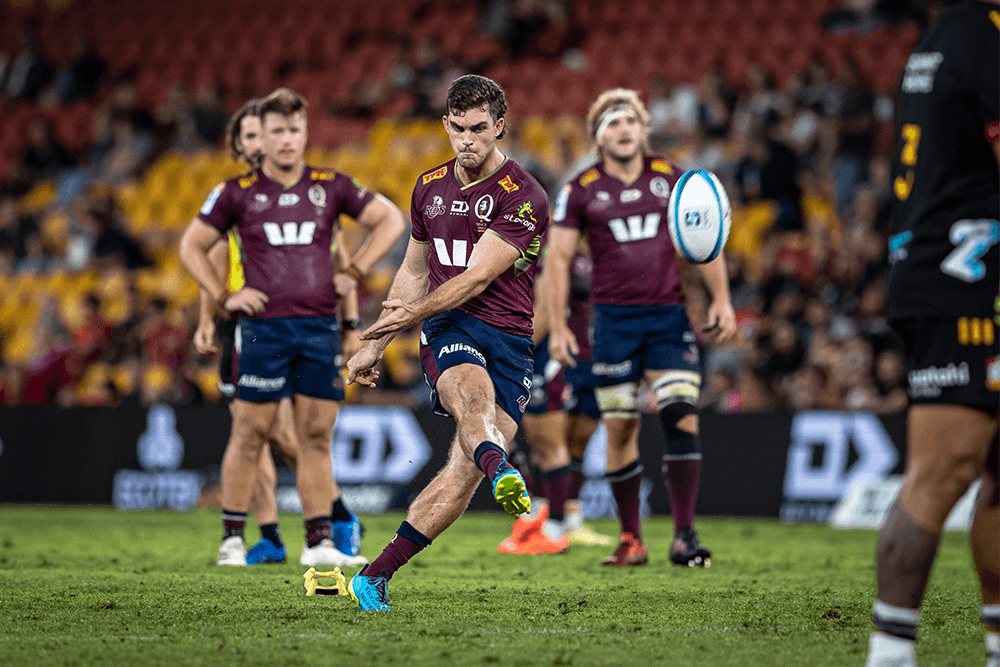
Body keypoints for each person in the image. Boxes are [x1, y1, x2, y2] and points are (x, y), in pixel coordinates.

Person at [179, 88, 406, 568]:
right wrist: (222, 299)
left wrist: (355, 272)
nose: (286, 140)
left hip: (318, 327)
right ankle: (233, 540)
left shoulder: (331, 184)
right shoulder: (235, 192)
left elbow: (390, 219)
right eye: (277, 130)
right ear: (263, 137)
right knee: (250, 433)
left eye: (294, 129)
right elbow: (192, 246)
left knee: (316, 437)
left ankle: (319, 542)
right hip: (261, 330)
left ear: (306, 132)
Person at [345, 74, 548, 610]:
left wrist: (410, 313)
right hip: (449, 327)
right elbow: (414, 270)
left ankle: (374, 575)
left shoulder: (525, 196)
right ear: (445, 125)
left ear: (500, 126)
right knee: (472, 399)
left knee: (461, 476)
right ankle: (500, 464)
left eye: (479, 129)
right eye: (457, 128)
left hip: (508, 337)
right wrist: (378, 343)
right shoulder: (428, 187)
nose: (467, 140)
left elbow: (478, 277)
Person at [546, 88, 737, 567]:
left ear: (643, 129)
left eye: (630, 120)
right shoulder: (580, 188)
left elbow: (704, 240)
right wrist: (556, 325)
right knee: (621, 426)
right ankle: (631, 539)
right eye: (612, 122)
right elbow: (558, 260)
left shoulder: (673, 179)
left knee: (681, 412)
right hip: (610, 323)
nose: (624, 129)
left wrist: (722, 299)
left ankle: (685, 535)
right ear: (597, 136)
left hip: (669, 319)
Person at [865, 2, 999, 665]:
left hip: (959, 272)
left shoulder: (944, 35)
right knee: (939, 474)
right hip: (963, 283)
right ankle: (889, 654)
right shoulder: (985, 35)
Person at [499, 244, 613, 554]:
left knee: (561, 443)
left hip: (574, 356)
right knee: (546, 442)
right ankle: (548, 516)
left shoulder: (581, 252)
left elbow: (548, 311)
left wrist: (509, 354)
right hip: (559, 356)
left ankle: (555, 523)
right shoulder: (546, 249)